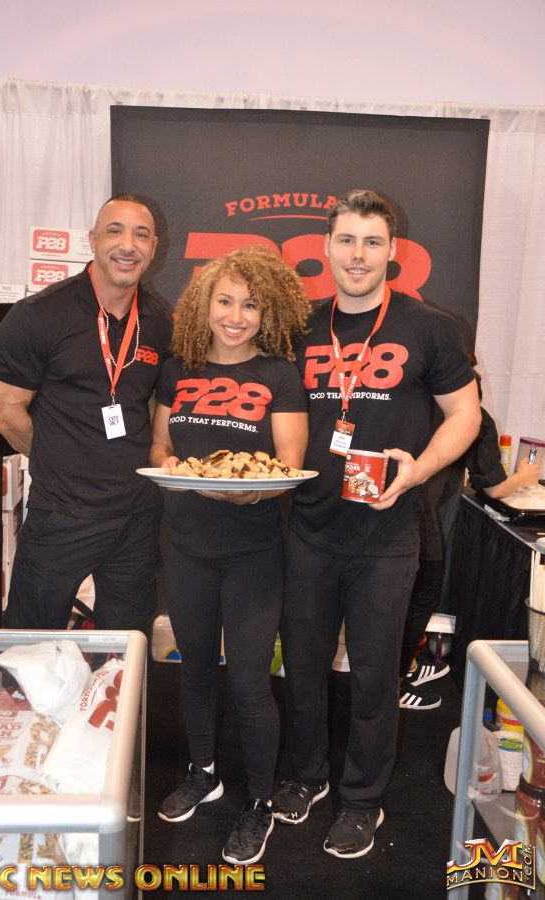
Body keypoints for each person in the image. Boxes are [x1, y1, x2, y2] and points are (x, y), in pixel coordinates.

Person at [272, 189, 481, 858]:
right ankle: (306, 776)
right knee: (303, 668)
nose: (357, 255)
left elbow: (466, 414)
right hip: (307, 529)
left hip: (386, 537)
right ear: (326, 248)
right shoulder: (298, 327)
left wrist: (420, 471)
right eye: (346, 240)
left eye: (371, 242)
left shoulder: (430, 328)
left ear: (393, 251)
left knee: (372, 677)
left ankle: (362, 801)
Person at [150, 246, 309, 865]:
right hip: (186, 546)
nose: (236, 316)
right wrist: (174, 469)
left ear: (267, 313)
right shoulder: (177, 370)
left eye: (250, 305)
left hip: (252, 554)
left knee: (248, 682)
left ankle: (260, 802)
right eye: (225, 301)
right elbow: (160, 445)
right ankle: (203, 772)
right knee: (193, 668)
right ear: (204, 305)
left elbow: (288, 464)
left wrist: (249, 491)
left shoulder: (279, 375)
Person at [0, 193, 172, 632]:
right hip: (62, 515)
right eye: (115, 231)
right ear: (93, 239)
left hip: (136, 515)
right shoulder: (39, 315)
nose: (128, 245)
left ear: (153, 247)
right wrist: (62, 459)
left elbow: (155, 405)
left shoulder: (160, 321)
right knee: (30, 641)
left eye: (141, 235)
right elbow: (5, 412)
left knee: (126, 645)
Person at [399, 355, 541, 710]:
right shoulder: (472, 412)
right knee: (421, 598)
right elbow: (493, 488)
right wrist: (525, 476)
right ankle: (395, 683)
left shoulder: (410, 397)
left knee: (398, 601)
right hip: (422, 521)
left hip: (388, 514)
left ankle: (405, 667)